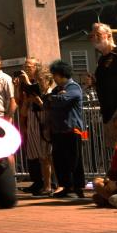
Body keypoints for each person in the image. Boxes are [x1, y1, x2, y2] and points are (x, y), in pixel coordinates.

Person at [42, 60, 86, 198]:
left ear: (61, 74)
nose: (53, 78)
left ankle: (77, 187)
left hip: (73, 130)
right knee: (59, 160)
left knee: (74, 160)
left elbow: (62, 101)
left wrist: (52, 98)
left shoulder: (74, 87)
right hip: (58, 130)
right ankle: (65, 186)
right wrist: (53, 98)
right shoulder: (57, 90)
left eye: (55, 75)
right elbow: (46, 103)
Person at [16, 58, 53, 196]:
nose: (40, 83)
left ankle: (49, 185)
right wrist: (27, 101)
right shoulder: (33, 90)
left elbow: (49, 110)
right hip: (33, 126)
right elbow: (23, 112)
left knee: (46, 157)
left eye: (41, 80)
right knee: (38, 157)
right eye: (38, 80)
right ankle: (42, 184)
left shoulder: (49, 94)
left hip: (44, 127)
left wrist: (38, 101)